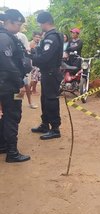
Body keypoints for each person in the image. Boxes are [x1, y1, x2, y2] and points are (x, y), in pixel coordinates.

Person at [0, 9, 31, 162]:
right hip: (11, 85)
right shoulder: (4, 38)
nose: (19, 28)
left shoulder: (6, 37)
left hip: (7, 84)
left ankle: (3, 145)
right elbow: (7, 64)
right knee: (13, 115)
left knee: (6, 115)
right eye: (18, 24)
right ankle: (12, 153)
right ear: (9, 22)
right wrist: (20, 82)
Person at [31, 11, 64, 140]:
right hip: (47, 73)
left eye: (40, 24)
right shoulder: (52, 35)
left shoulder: (52, 37)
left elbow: (45, 58)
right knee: (45, 99)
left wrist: (32, 57)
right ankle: (45, 124)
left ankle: (55, 128)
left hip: (51, 73)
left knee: (51, 100)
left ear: (45, 23)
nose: (40, 26)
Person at [16, 31, 38, 109]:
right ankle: (2, 108)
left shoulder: (21, 36)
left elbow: (27, 49)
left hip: (20, 64)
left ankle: (26, 102)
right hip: (8, 64)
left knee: (24, 84)